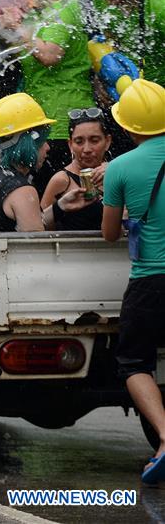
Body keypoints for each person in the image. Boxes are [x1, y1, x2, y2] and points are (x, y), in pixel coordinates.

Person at [99, 78, 165, 484]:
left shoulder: (120, 168)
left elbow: (109, 234)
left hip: (150, 282)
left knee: (134, 362)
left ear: (127, 126)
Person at [0, 93, 91, 232]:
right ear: (28, 143)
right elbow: (35, 243)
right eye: (42, 141)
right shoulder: (21, 190)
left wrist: (60, 207)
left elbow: (33, 222)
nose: (48, 147)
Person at [21, 0, 95, 191]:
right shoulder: (38, 13)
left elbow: (50, 54)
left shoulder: (64, 8)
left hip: (63, 120)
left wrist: (19, 30)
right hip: (41, 118)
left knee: (74, 194)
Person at [40, 109, 112, 230]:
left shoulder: (118, 172)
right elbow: (40, 227)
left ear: (107, 141)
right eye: (79, 142)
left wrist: (115, 170)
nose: (87, 149)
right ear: (70, 145)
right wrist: (59, 207)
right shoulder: (61, 180)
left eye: (94, 141)